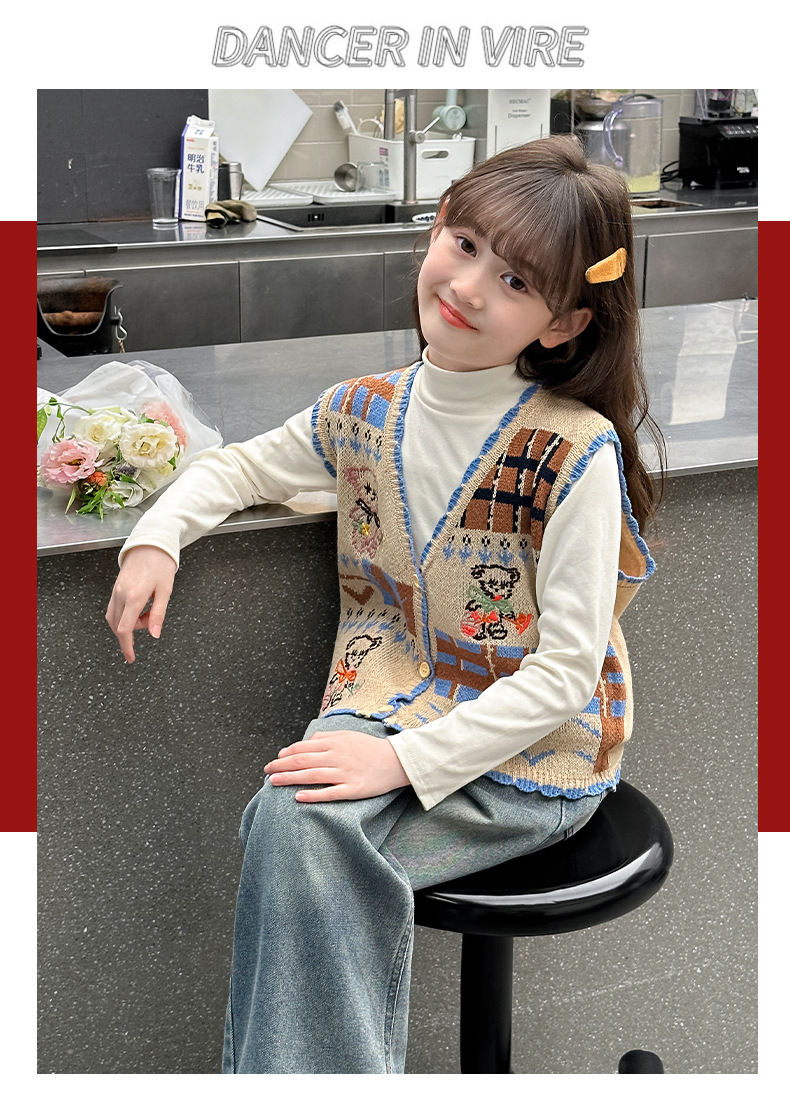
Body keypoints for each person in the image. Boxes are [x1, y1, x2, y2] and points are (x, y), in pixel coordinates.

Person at [105, 134, 665, 1074]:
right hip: (383, 701)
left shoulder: (573, 453)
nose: (470, 287)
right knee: (293, 825)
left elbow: (566, 677)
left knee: (292, 833)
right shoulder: (362, 410)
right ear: (436, 229)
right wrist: (157, 536)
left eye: (516, 281)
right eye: (465, 244)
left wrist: (400, 762)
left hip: (531, 759)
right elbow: (240, 467)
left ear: (564, 322)